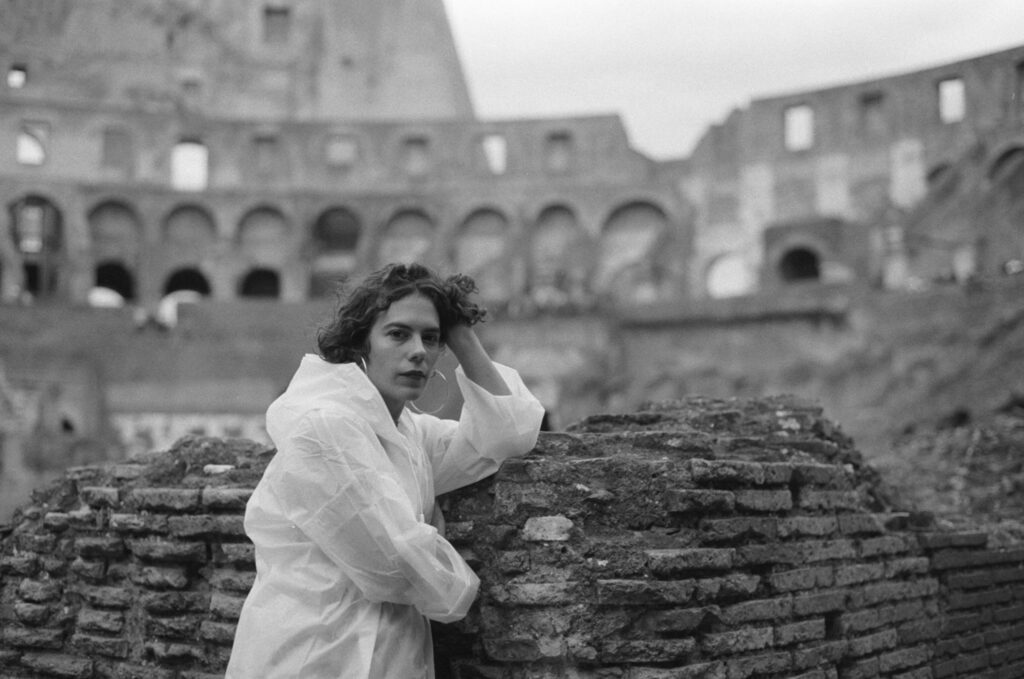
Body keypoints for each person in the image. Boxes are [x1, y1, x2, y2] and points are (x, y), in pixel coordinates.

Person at [225, 263, 544, 679]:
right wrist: (447, 559)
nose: (418, 352)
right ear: (361, 344)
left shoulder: (408, 434)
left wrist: (462, 335)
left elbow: (508, 435)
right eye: (398, 334)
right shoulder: (324, 427)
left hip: (389, 660)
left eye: (431, 338)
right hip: (312, 656)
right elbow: (394, 566)